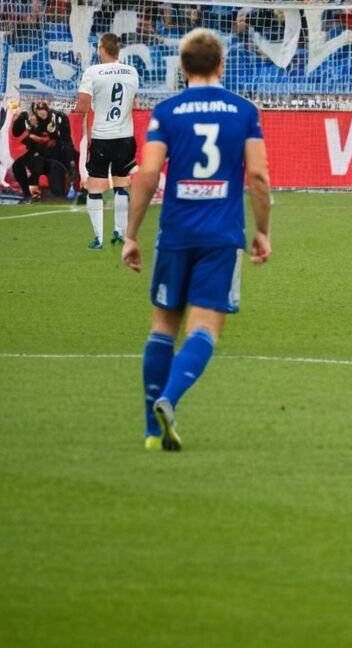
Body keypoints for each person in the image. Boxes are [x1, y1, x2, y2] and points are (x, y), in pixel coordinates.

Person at [121, 28, 271, 451]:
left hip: (175, 233)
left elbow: (147, 175)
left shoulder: (166, 112)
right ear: (221, 64)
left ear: (182, 67)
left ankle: (152, 433)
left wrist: (131, 235)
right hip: (222, 236)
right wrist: (262, 230)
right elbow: (258, 176)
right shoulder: (243, 111)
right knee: (204, 329)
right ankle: (170, 397)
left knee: (163, 325)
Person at [74, 34, 140, 249]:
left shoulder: (92, 72)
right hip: (125, 137)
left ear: (101, 48)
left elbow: (83, 106)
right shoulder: (131, 71)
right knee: (122, 184)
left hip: (103, 136)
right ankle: (119, 233)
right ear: (118, 50)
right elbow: (134, 103)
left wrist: (69, 108)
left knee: (95, 186)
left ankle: (99, 239)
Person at [10, 100, 61, 202]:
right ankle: (27, 194)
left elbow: (51, 139)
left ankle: (36, 193)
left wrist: (34, 136)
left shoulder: (52, 120)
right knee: (17, 166)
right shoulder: (30, 119)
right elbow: (16, 133)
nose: (42, 112)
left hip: (50, 155)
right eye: (39, 110)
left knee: (38, 164)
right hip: (33, 153)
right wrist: (20, 119)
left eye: (43, 110)